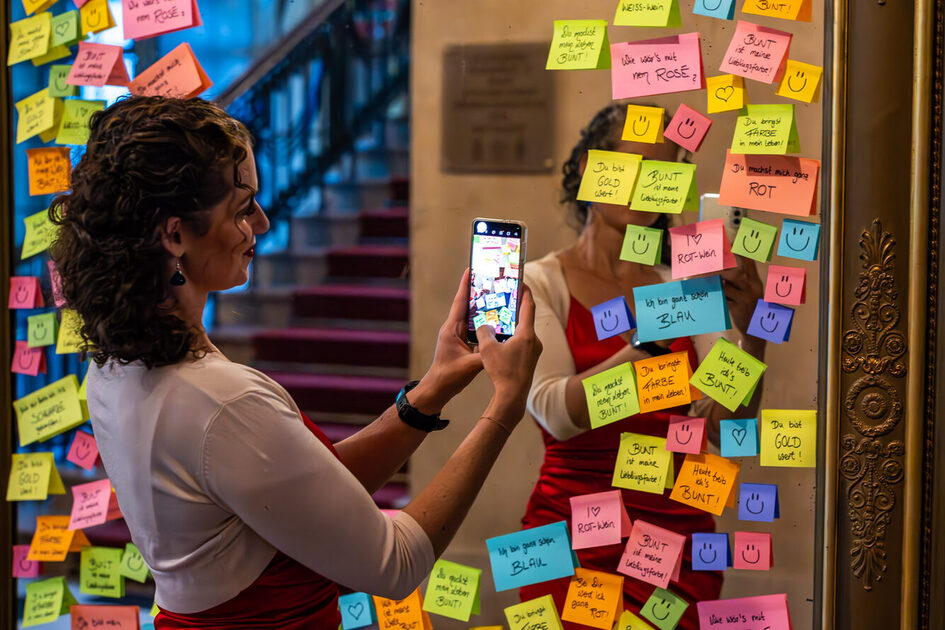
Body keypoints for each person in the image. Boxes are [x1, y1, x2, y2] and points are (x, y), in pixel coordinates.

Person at [48, 96, 541, 629]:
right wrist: (506, 406)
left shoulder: (117, 365)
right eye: (242, 209)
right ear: (174, 235)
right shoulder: (221, 401)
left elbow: (303, 492)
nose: (261, 221)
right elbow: (396, 565)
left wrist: (431, 392)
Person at [521, 102, 766, 630]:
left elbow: (730, 430)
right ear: (589, 167)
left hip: (676, 541)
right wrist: (651, 340)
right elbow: (556, 414)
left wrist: (753, 334)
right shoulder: (541, 282)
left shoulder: (685, 284)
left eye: (667, 171)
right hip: (572, 535)